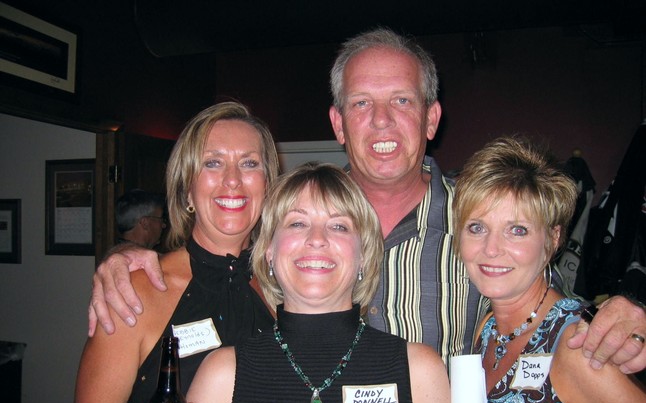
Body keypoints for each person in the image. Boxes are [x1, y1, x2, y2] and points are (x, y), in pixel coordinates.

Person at [86, 28, 646, 372]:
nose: (380, 121)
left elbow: (548, 311)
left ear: (431, 118)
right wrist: (124, 257)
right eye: (360, 103)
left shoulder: (482, 225)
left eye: (401, 101)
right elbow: (215, 249)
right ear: (337, 123)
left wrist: (632, 305)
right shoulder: (287, 222)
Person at [184, 162, 450, 403]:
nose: (317, 239)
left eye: (339, 226)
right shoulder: (222, 376)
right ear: (269, 251)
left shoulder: (419, 371)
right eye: (297, 223)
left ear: (363, 255)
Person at [62, 101, 280, 403]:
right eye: (212, 163)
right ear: (187, 190)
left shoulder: (286, 290)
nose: (233, 180)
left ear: (268, 185)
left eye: (249, 163)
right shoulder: (137, 290)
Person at [445, 137, 646, 403]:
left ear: (553, 239)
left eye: (517, 230)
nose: (491, 249)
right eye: (477, 227)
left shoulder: (577, 345)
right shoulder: (488, 329)